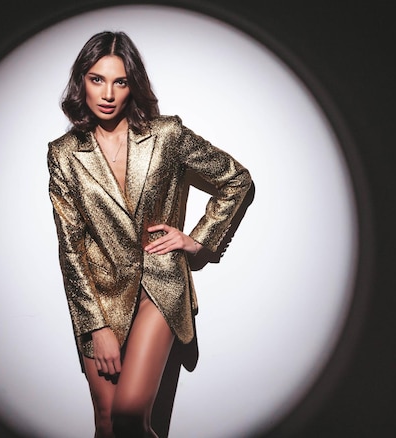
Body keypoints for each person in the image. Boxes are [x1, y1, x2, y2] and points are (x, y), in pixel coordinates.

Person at [47, 31, 252, 437]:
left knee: (128, 418)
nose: (107, 93)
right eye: (96, 79)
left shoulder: (167, 135)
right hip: (99, 296)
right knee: (106, 424)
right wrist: (95, 325)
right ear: (81, 82)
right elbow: (70, 246)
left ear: (132, 86)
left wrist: (199, 240)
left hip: (159, 286)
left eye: (119, 81)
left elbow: (236, 179)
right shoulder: (63, 153)